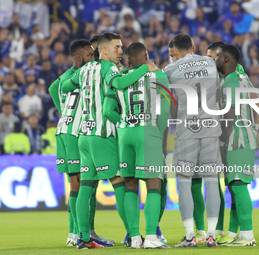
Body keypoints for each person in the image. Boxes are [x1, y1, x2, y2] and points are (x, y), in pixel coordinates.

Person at [61, 32, 159, 249]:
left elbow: (64, 87)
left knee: (86, 186)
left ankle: (83, 238)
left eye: (121, 47)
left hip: (83, 137)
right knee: (121, 183)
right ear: (104, 50)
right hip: (102, 135)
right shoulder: (108, 68)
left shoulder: (84, 69)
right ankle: (133, 235)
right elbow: (121, 83)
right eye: (117, 47)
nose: (121, 51)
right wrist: (145, 68)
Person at [104, 42, 171, 249]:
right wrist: (158, 135)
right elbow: (165, 110)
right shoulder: (158, 75)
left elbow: (108, 111)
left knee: (130, 185)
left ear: (128, 59)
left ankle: (134, 237)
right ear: (146, 56)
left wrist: (124, 121)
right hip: (147, 130)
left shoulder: (119, 78)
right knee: (153, 184)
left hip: (125, 133)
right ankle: (151, 236)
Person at [164, 33, 221, 248]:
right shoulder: (210, 62)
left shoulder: (170, 69)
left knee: (185, 182)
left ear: (176, 52)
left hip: (187, 129)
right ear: (194, 46)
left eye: (172, 55)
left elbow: (167, 98)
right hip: (210, 128)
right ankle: (212, 235)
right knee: (212, 181)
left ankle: (190, 237)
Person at [49, 39, 106, 247]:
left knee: (74, 183)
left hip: (63, 129)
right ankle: (77, 233)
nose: (94, 58)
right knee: (78, 184)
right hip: (74, 134)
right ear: (80, 57)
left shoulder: (65, 76)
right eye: (91, 55)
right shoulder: (85, 74)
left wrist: (63, 112)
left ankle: (74, 233)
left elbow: (52, 88)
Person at [215, 44, 257, 246]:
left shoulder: (230, 82)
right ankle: (236, 233)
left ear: (226, 59)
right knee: (236, 185)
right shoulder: (243, 78)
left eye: (217, 56)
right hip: (247, 136)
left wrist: (221, 140)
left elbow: (229, 117)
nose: (214, 59)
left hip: (237, 139)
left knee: (238, 185)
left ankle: (248, 235)